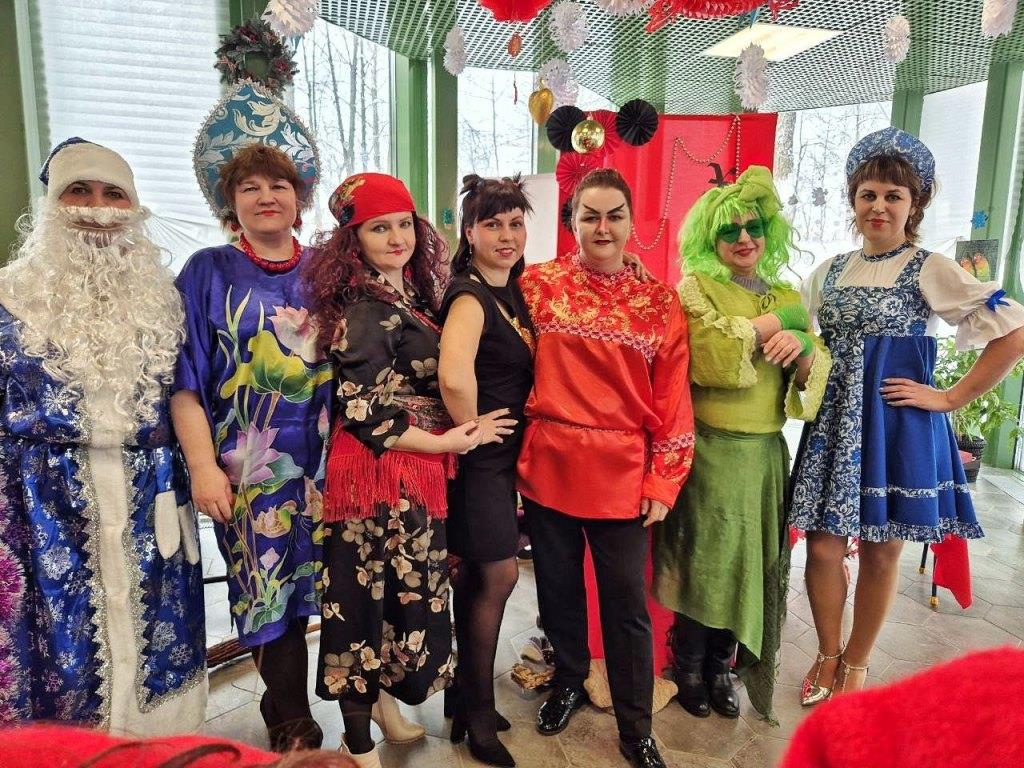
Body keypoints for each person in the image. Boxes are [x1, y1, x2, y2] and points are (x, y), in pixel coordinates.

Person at [791, 127, 1024, 703]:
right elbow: (800, 336)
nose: (879, 206)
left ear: (914, 204)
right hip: (835, 427)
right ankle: (826, 652)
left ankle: (856, 663)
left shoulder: (930, 267)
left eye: (893, 196)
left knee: (882, 548)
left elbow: (1013, 331)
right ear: (853, 201)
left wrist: (948, 398)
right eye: (868, 194)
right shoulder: (829, 271)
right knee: (822, 547)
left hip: (896, 425)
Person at [0, 138, 206, 732]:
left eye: (114, 192)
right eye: (79, 191)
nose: (96, 207)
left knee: (160, 633)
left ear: (134, 206)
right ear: (51, 205)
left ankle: (160, 744)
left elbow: (193, 393)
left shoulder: (166, 300)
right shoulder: (10, 296)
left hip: (153, 493)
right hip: (40, 505)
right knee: (60, 647)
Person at [305, 173, 499, 768]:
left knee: (394, 600)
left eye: (403, 224)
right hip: (376, 474)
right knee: (360, 603)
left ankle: (382, 714)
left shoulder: (409, 295)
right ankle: (357, 743)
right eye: (378, 228)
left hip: (409, 475)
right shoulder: (366, 306)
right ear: (353, 240)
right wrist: (445, 441)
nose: (396, 238)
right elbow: (362, 409)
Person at [517, 168, 694, 768]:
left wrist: (664, 480)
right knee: (557, 590)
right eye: (589, 215)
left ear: (630, 223)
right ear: (571, 222)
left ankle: (636, 725)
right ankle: (568, 681)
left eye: (614, 215)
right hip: (548, 464)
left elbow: (672, 399)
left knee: (626, 607)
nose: (603, 227)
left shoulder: (660, 302)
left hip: (622, 473)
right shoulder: (537, 286)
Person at [174, 82, 332, 751]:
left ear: (299, 197)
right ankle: (292, 719)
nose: (267, 196)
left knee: (317, 586)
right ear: (230, 202)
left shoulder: (327, 270)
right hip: (247, 467)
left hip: (325, 465)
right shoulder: (207, 272)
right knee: (263, 589)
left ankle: (304, 700)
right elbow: (184, 380)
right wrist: (203, 466)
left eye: (279, 185)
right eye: (250, 188)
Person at [652, 166, 830, 723]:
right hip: (709, 453)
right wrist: (781, 322)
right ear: (711, 240)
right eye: (730, 231)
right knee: (704, 563)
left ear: (769, 231)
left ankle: (722, 667)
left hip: (764, 458)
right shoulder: (696, 288)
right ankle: (687, 665)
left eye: (754, 227)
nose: (744, 239)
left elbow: (813, 375)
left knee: (749, 567)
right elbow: (707, 353)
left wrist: (803, 345)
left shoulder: (786, 293)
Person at [437, 174, 535, 767]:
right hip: (482, 463)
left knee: (476, 580)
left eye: (515, 223)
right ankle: (477, 715)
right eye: (492, 224)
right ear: (469, 232)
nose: (506, 235)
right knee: (497, 576)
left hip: (501, 463)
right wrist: (473, 429)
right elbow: (453, 375)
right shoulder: (470, 296)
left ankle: (463, 696)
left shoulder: (510, 289)